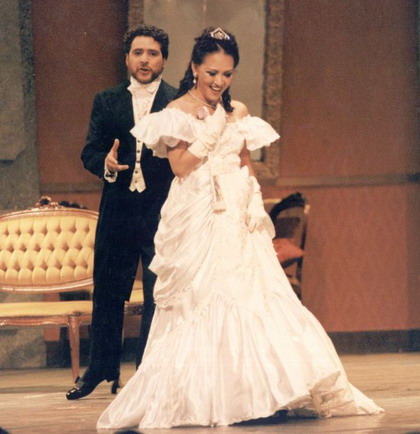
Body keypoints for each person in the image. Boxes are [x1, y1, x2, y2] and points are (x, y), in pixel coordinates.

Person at [97, 27, 383, 428]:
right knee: (203, 298)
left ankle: (265, 392)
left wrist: (252, 199)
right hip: (198, 212)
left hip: (236, 212)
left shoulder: (239, 111)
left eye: (227, 74)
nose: (219, 81)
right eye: (212, 72)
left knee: (255, 294)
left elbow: (245, 160)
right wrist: (211, 132)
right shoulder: (176, 111)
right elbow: (179, 167)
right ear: (195, 67)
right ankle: (208, 396)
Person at [66, 24, 177, 400]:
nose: (145, 60)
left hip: (162, 213)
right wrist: (107, 164)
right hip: (118, 209)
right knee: (109, 289)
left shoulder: (176, 102)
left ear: (164, 60)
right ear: (127, 58)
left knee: (158, 293)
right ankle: (101, 368)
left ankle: (148, 372)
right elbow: (90, 151)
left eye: (153, 54)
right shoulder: (107, 100)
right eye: (138, 53)